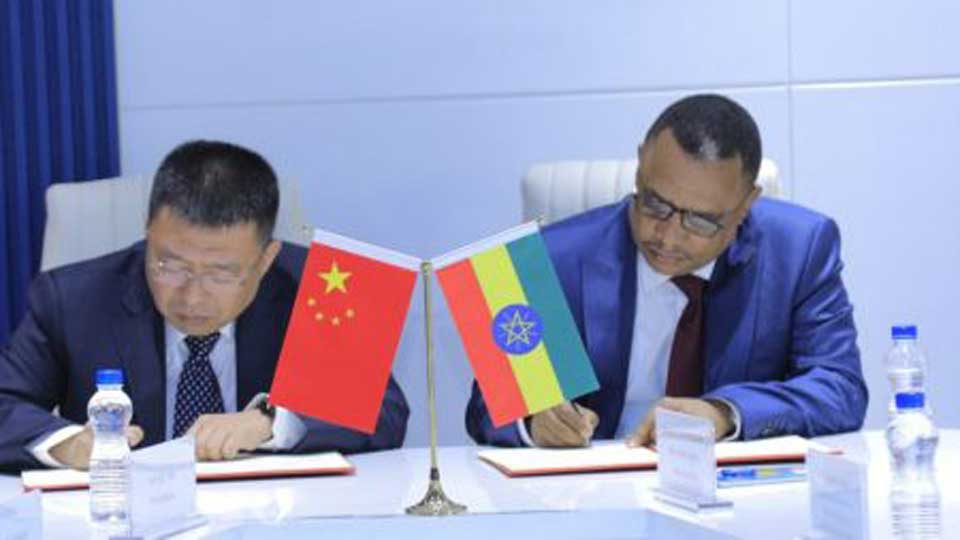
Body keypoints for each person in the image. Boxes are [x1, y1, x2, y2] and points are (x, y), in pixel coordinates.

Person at [467, 94, 868, 447]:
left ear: (747, 204)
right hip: (593, 486)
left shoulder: (799, 250)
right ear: (640, 165)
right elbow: (487, 406)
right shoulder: (547, 258)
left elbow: (840, 388)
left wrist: (725, 413)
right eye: (655, 204)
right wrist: (535, 423)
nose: (668, 237)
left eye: (701, 221)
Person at [0, 140, 409, 472]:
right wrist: (69, 444)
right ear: (148, 235)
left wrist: (268, 423)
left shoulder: (320, 289)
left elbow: (383, 412)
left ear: (266, 259)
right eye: (170, 265)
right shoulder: (72, 298)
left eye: (221, 274)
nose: (192, 297)